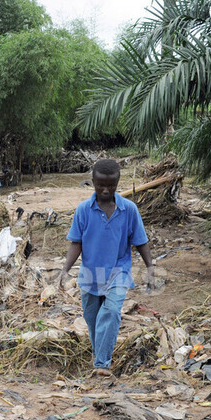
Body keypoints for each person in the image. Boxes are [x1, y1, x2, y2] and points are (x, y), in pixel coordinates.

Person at [59, 159, 154, 376]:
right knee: (92, 320)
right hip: (90, 274)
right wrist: (65, 269)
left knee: (110, 313)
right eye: (100, 185)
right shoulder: (83, 210)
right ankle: (99, 354)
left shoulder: (129, 210)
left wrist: (150, 267)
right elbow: (77, 243)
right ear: (92, 182)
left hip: (118, 272)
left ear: (117, 183)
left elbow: (140, 241)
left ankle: (102, 364)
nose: (105, 190)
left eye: (110, 186)